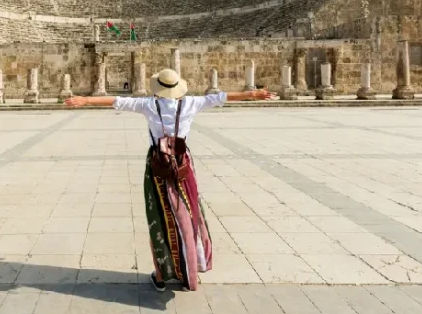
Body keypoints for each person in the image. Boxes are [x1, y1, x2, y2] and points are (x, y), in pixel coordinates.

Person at [65, 68, 276, 292]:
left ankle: (163, 274)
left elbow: (117, 101)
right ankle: (189, 273)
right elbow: (222, 97)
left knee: (161, 216)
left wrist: (84, 99)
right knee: (189, 215)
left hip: (158, 166)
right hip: (183, 166)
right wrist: (252, 94)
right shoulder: (192, 103)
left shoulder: (148, 105)